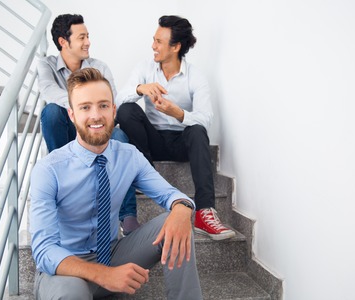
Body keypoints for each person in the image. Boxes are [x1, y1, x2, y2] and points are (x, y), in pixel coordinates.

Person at [30, 68, 202, 299]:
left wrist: (182, 208)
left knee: (176, 223)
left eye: (103, 105)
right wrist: (103, 274)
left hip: (111, 254)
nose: (96, 115)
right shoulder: (48, 169)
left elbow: (169, 194)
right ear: (72, 115)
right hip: (66, 268)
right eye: (85, 107)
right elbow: (44, 251)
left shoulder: (129, 155)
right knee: (72, 293)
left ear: (113, 110)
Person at [116, 15, 235, 240]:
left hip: (181, 141)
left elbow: (205, 118)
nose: (153, 46)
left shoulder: (195, 77)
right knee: (126, 110)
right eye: (154, 39)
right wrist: (140, 88)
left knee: (198, 129)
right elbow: (120, 98)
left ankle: (205, 212)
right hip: (152, 141)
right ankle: (146, 171)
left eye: (159, 41)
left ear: (176, 46)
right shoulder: (145, 68)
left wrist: (177, 113)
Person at [37, 14, 139, 234]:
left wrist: (91, 112)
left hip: (97, 127)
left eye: (88, 36)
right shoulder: (47, 65)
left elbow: (110, 101)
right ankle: (64, 181)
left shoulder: (98, 67)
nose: (88, 42)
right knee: (51, 112)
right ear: (64, 42)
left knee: (120, 138)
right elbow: (48, 91)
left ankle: (128, 214)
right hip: (68, 131)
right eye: (82, 37)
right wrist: (79, 107)